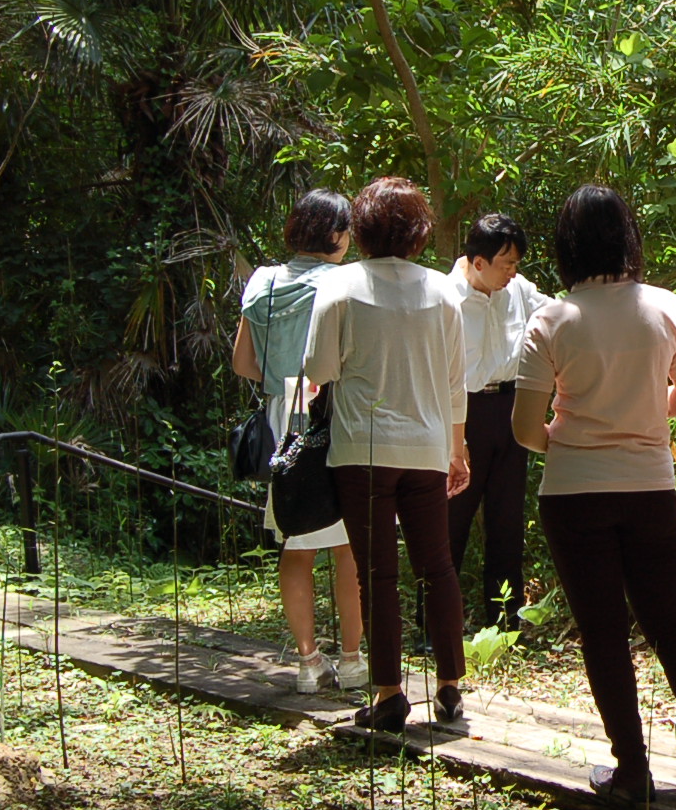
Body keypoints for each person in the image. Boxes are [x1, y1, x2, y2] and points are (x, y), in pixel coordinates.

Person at [511, 184, 676, 801]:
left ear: (567, 246)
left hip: (575, 493)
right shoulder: (665, 307)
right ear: (629, 238)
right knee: (672, 625)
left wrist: (567, 433)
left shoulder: (551, 319)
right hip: (649, 487)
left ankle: (632, 771)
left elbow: (524, 428)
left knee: (604, 633)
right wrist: (642, 412)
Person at [302, 176, 471, 734]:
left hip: (362, 448)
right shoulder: (443, 291)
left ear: (363, 228)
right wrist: (457, 448)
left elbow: (318, 370)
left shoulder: (341, 287)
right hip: (426, 447)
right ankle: (449, 688)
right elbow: (455, 382)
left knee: (377, 572)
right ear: (419, 233)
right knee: (438, 566)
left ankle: (389, 693)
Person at [232, 188, 367, 695]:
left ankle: (309, 664)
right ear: (336, 234)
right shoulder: (347, 283)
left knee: (296, 545)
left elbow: (244, 363)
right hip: (337, 418)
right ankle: (352, 662)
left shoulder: (263, 282)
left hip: (283, 423)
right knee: (349, 547)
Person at [447, 213, 549, 631]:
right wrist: (454, 439)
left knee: (506, 522)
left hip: (511, 410)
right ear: (477, 261)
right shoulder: (444, 296)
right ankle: (439, 625)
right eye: (505, 263)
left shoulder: (520, 291)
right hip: (460, 415)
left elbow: (558, 320)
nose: (513, 271)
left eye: (516, 263)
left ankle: (504, 622)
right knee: (450, 524)